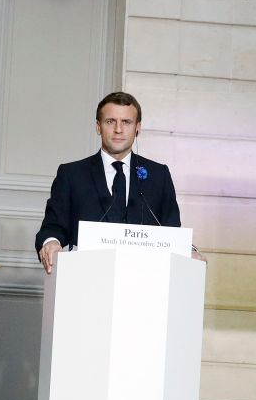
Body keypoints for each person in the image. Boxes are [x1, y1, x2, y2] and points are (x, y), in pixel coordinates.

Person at [34, 92, 197, 274]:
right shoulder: (71, 174)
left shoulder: (159, 175)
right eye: (110, 121)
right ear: (98, 127)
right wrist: (51, 243)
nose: (118, 129)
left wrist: (189, 252)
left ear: (138, 128)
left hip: (145, 279)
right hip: (86, 278)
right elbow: (53, 227)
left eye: (126, 122)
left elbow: (172, 230)